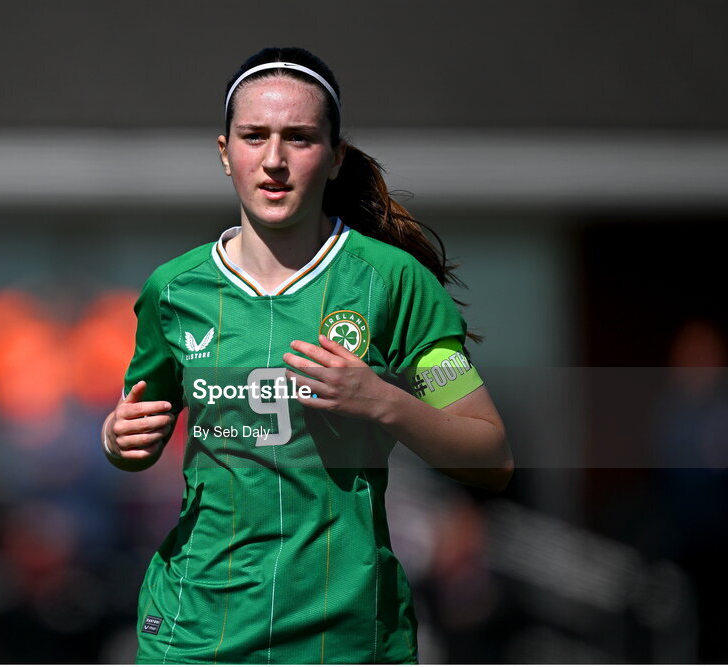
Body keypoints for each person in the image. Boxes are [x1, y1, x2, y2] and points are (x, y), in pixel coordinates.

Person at [101, 47, 513, 664]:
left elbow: (491, 455)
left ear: (335, 155)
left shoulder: (392, 283)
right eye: (253, 136)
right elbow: (139, 437)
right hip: (197, 629)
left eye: (299, 138)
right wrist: (117, 439)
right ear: (224, 152)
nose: (273, 160)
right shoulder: (173, 290)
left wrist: (382, 402)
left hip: (343, 635)